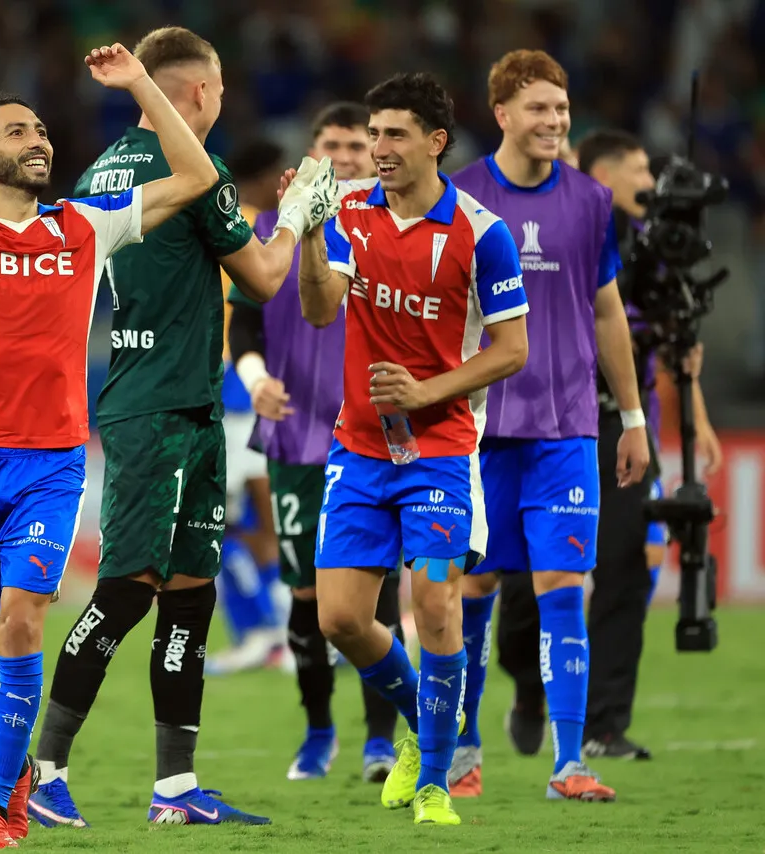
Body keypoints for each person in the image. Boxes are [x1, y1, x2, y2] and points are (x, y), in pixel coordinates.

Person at [0, 41, 333, 848]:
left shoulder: (82, 228)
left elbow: (198, 179)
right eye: (17, 131)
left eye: (41, 129)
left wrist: (138, 86)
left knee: (25, 618)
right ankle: (22, 766)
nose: (38, 140)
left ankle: (1, 801)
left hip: (53, 461)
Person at [29, 27, 335, 830]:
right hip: (160, 410)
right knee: (128, 589)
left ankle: (176, 787)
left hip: (175, 403)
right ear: (197, 91)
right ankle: (43, 771)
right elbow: (266, 281)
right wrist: (297, 212)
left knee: (191, 597)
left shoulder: (105, 169)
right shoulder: (192, 170)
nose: (223, 99)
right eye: (222, 87)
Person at [299, 71, 530, 826]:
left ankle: (435, 778)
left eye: (394, 134)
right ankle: (418, 726)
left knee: (434, 601)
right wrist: (307, 233)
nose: (378, 148)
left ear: (435, 142)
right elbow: (320, 309)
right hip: (361, 452)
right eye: (373, 134)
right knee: (338, 619)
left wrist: (428, 393)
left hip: (439, 455)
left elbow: (512, 349)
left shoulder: (481, 233)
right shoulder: (353, 215)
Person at [450, 49, 649, 802]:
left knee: (566, 585)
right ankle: (463, 748)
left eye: (561, 110)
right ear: (501, 114)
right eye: (538, 108)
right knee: (472, 589)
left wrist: (630, 416)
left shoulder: (592, 201)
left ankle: (570, 763)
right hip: (478, 430)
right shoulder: (459, 197)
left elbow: (607, 313)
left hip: (567, 427)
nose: (553, 121)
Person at [491, 129, 724, 763]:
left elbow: (668, 334)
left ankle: (604, 725)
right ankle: (528, 685)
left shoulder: (644, 246)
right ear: (601, 173)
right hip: (543, 422)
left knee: (624, 571)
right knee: (518, 587)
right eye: (639, 166)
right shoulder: (556, 225)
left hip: (616, 427)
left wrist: (691, 412)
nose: (650, 180)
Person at [226, 102, 406, 784]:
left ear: (376, 153)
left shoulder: (398, 230)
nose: (345, 157)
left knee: (372, 590)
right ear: (310, 156)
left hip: (376, 436)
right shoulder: (270, 231)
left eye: (357, 146)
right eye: (330, 145)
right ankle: (318, 730)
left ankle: (381, 741)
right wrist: (254, 374)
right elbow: (244, 324)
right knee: (305, 598)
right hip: (299, 433)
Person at [206, 139, 289, 678]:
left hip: (237, 386)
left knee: (245, 517)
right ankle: (267, 632)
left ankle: (275, 632)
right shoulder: (252, 228)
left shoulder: (244, 228)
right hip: (236, 383)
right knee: (244, 518)